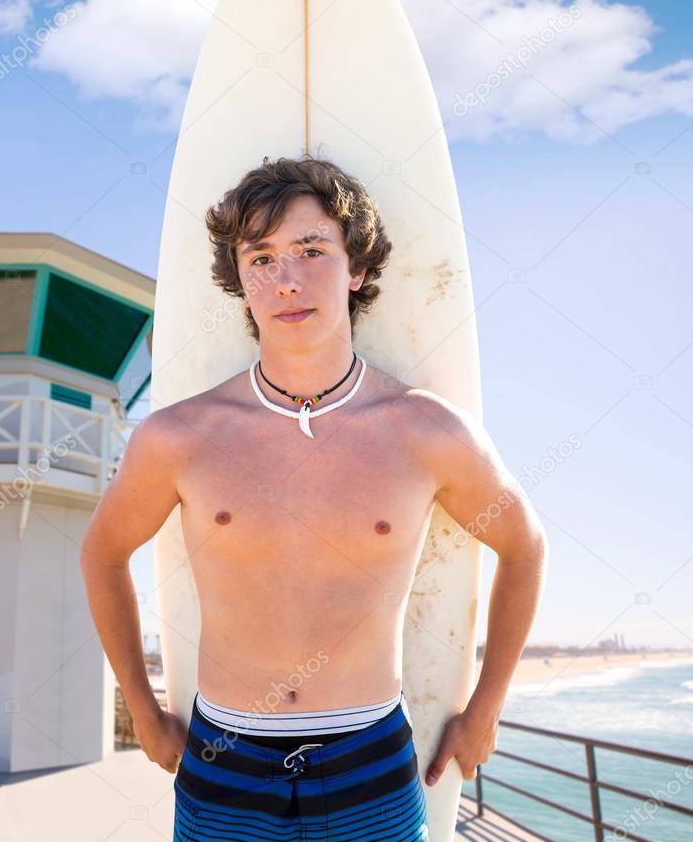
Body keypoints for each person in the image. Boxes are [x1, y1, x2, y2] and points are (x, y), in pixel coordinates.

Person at [80, 155, 548, 841]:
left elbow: (524, 545)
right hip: (224, 759)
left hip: (370, 758)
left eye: (310, 250)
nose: (287, 279)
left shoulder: (427, 431)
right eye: (261, 258)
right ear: (239, 280)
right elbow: (102, 554)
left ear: (355, 268)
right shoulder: (179, 437)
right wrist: (143, 712)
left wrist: (487, 708)